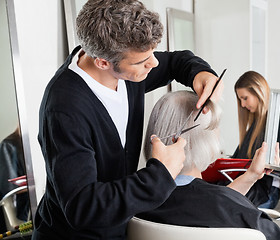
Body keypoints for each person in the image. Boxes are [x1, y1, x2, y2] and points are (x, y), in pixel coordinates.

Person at [32, 1, 223, 239]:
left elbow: (176, 62)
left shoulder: (126, 67)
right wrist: (160, 174)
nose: (153, 64)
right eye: (143, 61)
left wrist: (200, 73)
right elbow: (83, 208)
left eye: (152, 53)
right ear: (103, 62)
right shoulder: (64, 111)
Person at [138, 90, 280, 240]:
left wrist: (251, 175)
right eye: (215, 126)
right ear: (204, 141)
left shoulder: (134, 196)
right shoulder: (236, 211)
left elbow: (211, 202)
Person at [231, 70, 280, 208]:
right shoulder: (256, 124)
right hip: (252, 188)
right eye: (240, 100)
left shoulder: (275, 125)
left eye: (245, 98)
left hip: (266, 192)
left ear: (259, 93)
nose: (243, 105)